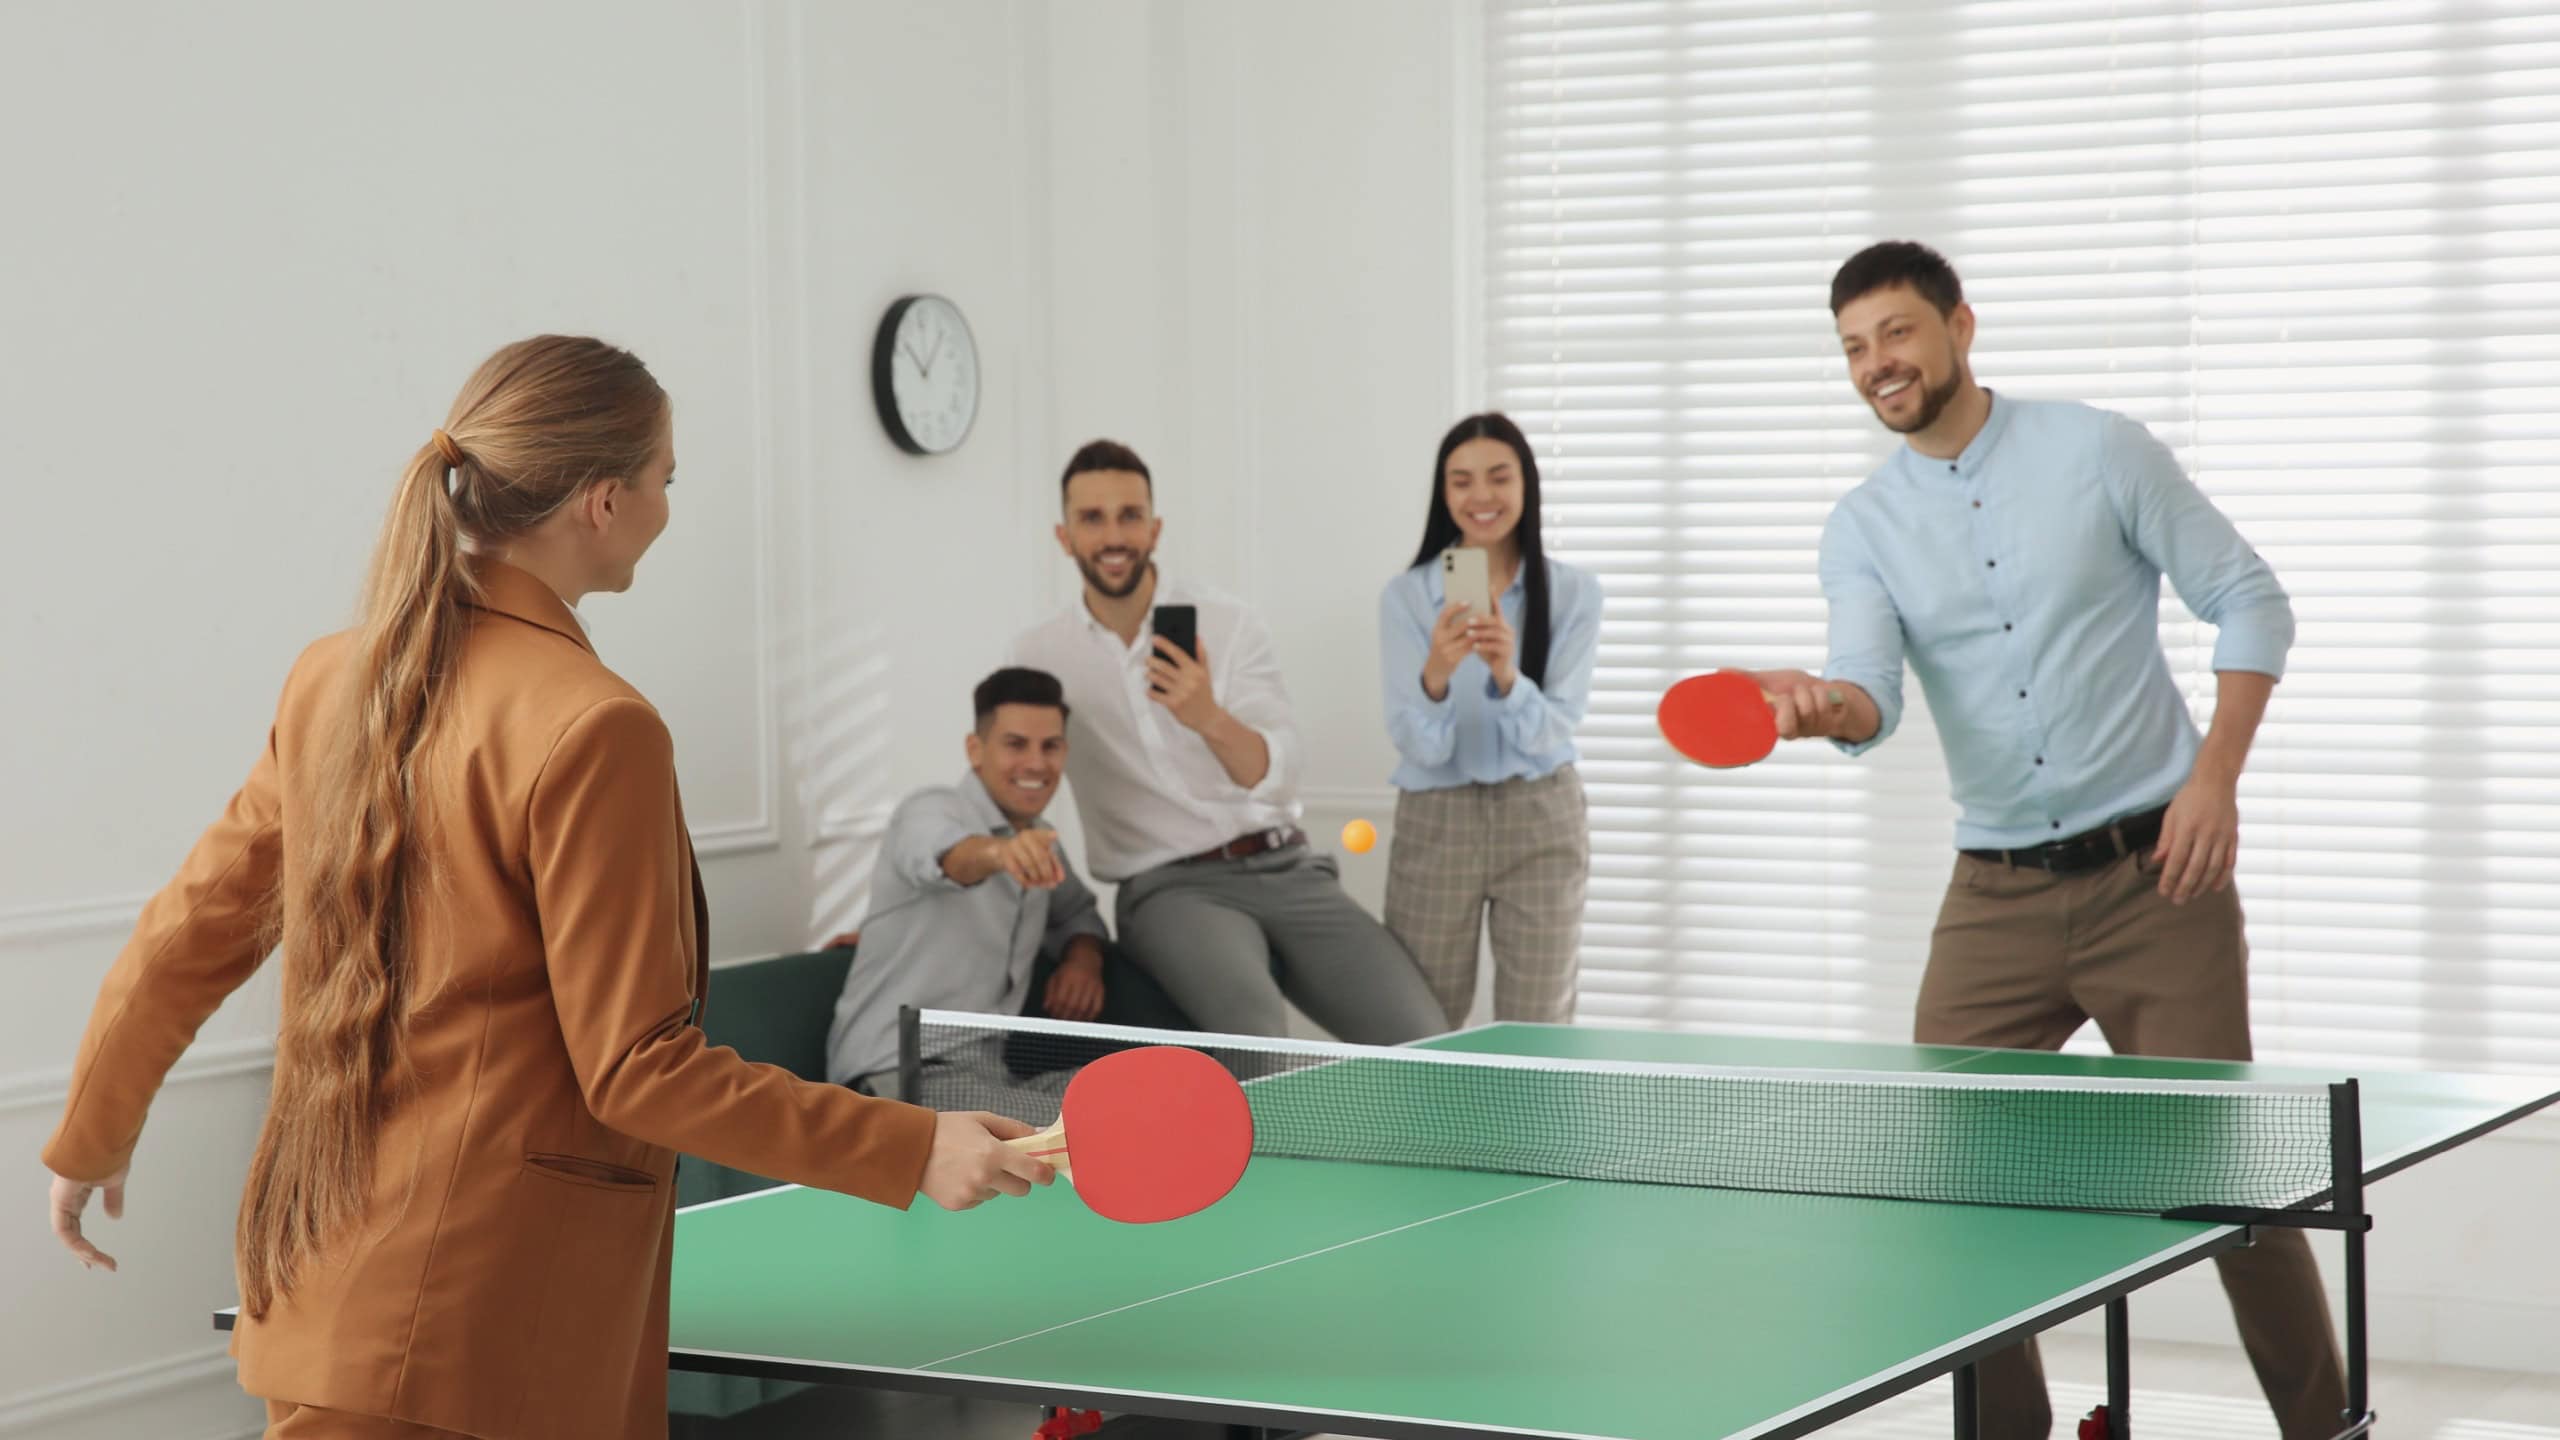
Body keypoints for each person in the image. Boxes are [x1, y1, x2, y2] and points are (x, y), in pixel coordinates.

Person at [39, 336, 1051, 1440]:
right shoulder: (596, 725)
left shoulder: (331, 678)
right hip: (486, 1334)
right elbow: (641, 1070)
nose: (668, 508)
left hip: (325, 1298)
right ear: (603, 502)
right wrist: (912, 1146)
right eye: (666, 479)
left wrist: (94, 1131)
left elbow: (192, 930)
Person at [1749, 242, 2345, 1440]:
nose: (1877, 363)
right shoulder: (1861, 526)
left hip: (2157, 878)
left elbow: (2250, 598)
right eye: (1854, 347)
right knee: (1953, 1187)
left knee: (2232, 1192)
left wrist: (2213, 782)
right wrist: (1821, 710)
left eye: (1896, 332)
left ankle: (2324, 1428)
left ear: (1959, 326)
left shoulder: (2098, 450)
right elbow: (1868, 692)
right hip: (1995, 899)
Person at [1007, 440, 1445, 1044]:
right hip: (1170, 889)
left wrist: (1207, 716)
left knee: (1424, 1037)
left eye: (1129, 516)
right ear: (1065, 537)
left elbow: (1278, 775)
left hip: (1287, 867)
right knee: (1256, 1037)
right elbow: (1013, 775)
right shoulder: (1040, 654)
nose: (1113, 536)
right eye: (1093, 518)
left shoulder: (1228, 623)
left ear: (1155, 528)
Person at [823, 665, 1192, 1101]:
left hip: (991, 1077)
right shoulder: (930, 809)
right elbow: (948, 855)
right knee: (1095, 1126)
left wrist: (1083, 961)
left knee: (1153, 1092)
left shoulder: (1040, 839)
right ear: (975, 750)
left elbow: (1077, 914)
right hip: (899, 1074)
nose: (1036, 763)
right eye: (1016, 744)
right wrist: (1001, 854)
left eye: (1050, 746)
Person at [1377, 413, 1602, 1025]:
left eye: (1499, 477)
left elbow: (1553, 729)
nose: (1481, 496)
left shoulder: (1575, 593)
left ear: (1526, 484)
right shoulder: (1406, 597)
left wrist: (1507, 675)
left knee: (1539, 1023)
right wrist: (1436, 676)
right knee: (1420, 1022)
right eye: (1462, 481)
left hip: (1541, 815)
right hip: (1437, 818)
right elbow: (1420, 747)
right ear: (1443, 493)